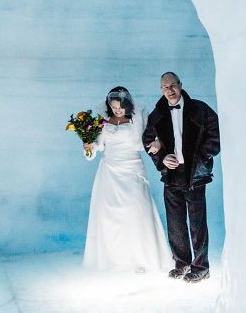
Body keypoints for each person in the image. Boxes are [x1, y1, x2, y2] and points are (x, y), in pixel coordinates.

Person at [82, 86, 172, 273]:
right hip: (109, 171)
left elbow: (153, 134)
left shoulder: (138, 117)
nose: (117, 111)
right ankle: (114, 259)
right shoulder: (102, 120)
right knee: (111, 215)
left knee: (137, 212)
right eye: (113, 107)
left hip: (132, 168)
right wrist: (88, 146)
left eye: (120, 107)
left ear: (127, 105)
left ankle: (141, 260)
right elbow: (95, 149)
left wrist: (158, 142)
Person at [143, 72, 220, 283]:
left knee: (197, 223)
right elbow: (148, 140)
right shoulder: (156, 115)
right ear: (161, 90)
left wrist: (201, 157)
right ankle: (182, 263)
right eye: (165, 87)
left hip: (195, 174)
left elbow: (216, 133)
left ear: (180, 85)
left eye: (173, 85)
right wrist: (161, 158)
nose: (170, 90)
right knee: (175, 223)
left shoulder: (200, 109)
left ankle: (202, 266)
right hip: (172, 175)